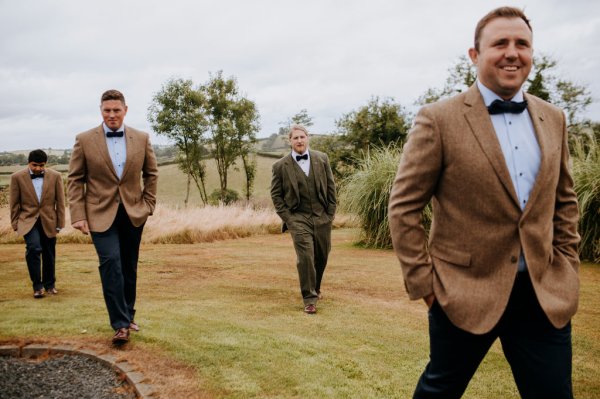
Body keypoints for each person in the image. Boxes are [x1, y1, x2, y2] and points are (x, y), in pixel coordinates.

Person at [388, 7, 580, 399]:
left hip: (543, 295)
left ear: (531, 53)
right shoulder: (438, 119)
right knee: (438, 392)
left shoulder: (554, 118)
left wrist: (567, 265)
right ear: (475, 55)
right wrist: (426, 287)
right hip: (463, 292)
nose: (512, 52)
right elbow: (403, 206)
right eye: (500, 44)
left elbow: (565, 202)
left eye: (522, 44)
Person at [68, 89, 158, 345]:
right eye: (107, 110)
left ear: (125, 110)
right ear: (101, 111)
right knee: (111, 264)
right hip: (98, 214)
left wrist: (148, 203)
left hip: (133, 213)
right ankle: (120, 325)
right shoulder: (84, 140)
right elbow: (75, 179)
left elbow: (151, 173)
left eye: (116, 110)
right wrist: (77, 214)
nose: (111, 115)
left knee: (129, 266)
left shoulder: (141, 138)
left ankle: (128, 315)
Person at [271, 124, 337, 314]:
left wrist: (330, 214)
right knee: (305, 257)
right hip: (298, 218)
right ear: (290, 141)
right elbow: (276, 196)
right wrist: (289, 220)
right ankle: (309, 298)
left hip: (322, 216)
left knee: (322, 256)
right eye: (295, 138)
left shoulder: (321, 159)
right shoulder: (280, 166)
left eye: (302, 137)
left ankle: (316, 288)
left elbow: (331, 188)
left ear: (307, 138)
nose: (299, 141)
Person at [10, 149, 65, 299]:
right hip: (27, 221)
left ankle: (50, 285)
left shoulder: (56, 176)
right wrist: (15, 224)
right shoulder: (17, 177)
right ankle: (37, 286)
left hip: (49, 220)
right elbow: (14, 204)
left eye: (42, 165)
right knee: (34, 248)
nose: (38, 168)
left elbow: (60, 202)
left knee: (49, 253)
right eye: (35, 165)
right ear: (29, 162)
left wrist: (60, 223)